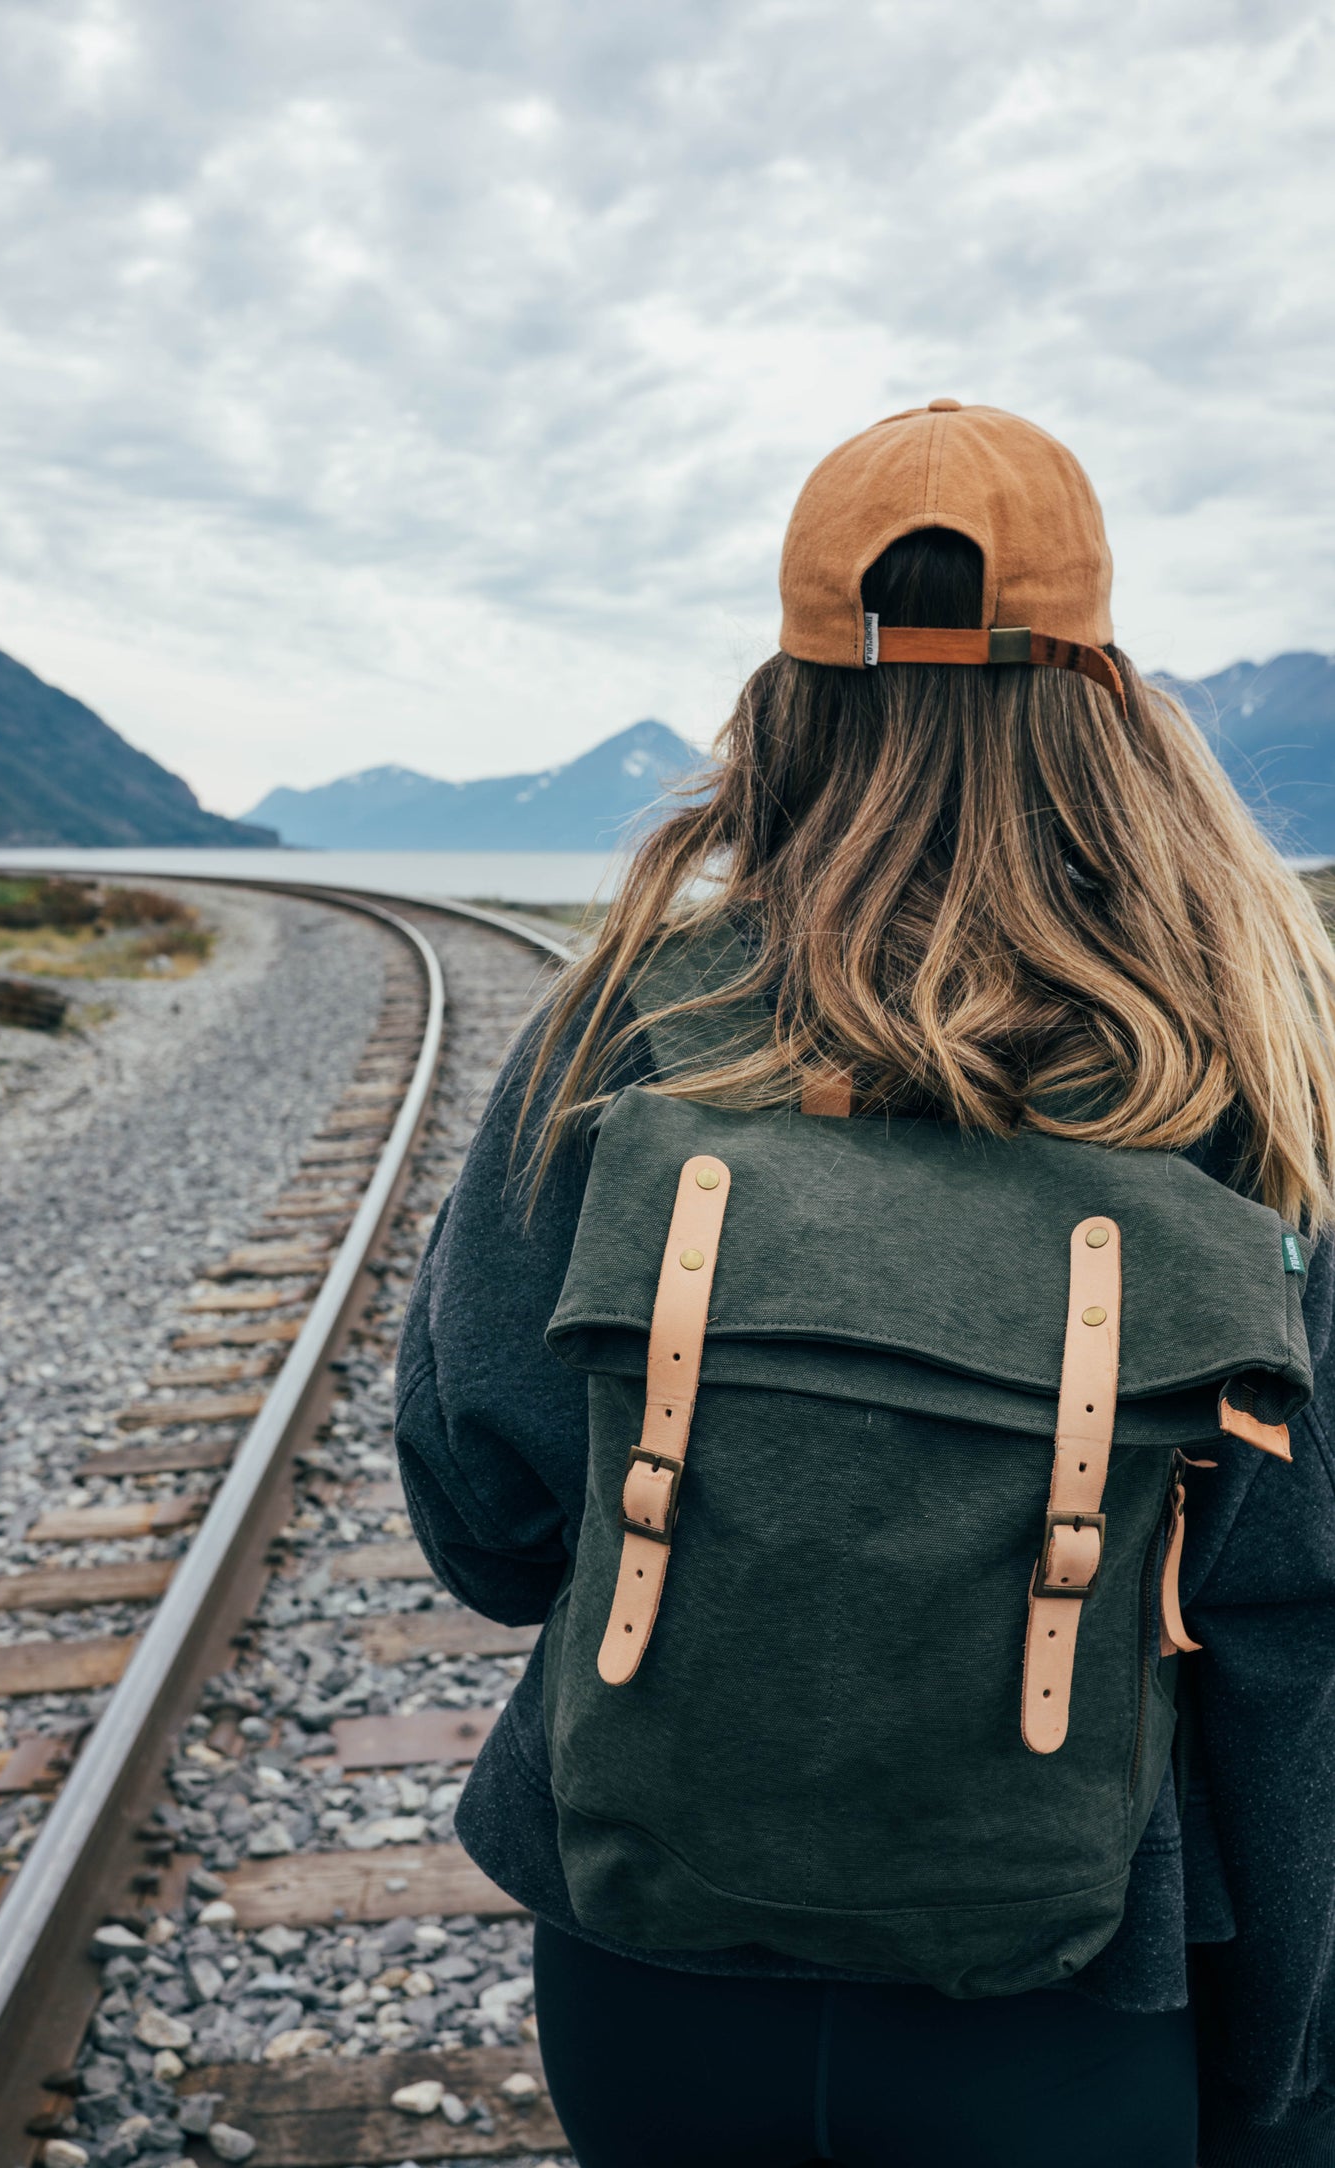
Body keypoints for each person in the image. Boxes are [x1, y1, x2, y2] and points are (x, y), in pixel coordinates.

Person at [395, 400, 1335, 2168]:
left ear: (783, 700)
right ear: (1105, 705)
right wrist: (1282, 2077)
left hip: (646, 1959)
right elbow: (1289, 1622)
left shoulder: (626, 1022)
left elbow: (487, 1515)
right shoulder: (1245, 1068)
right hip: (1081, 1996)